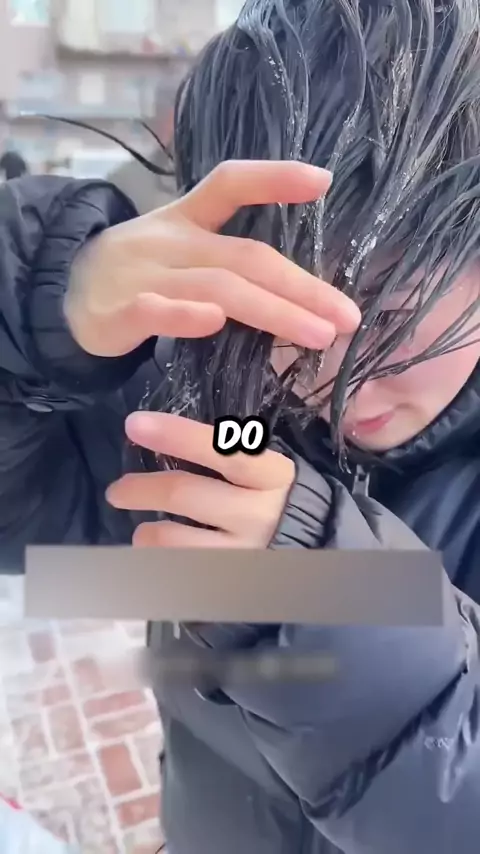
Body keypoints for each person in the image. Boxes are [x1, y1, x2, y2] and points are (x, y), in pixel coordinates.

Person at [1, 0, 480, 852]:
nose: (331, 380)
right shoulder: (214, 411)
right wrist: (37, 305)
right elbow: (27, 521)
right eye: (276, 311)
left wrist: (331, 597)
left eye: (392, 315)